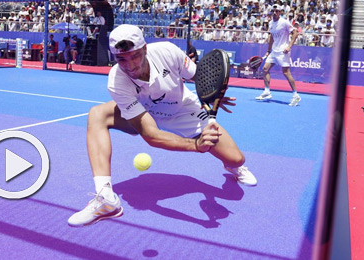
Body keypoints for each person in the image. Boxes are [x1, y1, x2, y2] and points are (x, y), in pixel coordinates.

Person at [67, 24, 257, 227]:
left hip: (184, 111)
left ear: (145, 49)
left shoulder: (167, 52)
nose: (130, 65)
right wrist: (195, 145)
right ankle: (105, 197)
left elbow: (198, 76)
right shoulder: (117, 80)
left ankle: (231, 166)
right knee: (97, 114)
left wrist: (214, 92)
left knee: (237, 159)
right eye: (122, 59)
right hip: (146, 114)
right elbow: (151, 135)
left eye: (135, 56)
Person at [256, 5, 301, 106]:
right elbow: (271, 37)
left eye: (277, 11)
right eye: (273, 11)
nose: (275, 12)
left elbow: (295, 33)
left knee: (286, 73)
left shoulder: (284, 22)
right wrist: (268, 50)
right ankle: (267, 91)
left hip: (283, 51)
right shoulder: (271, 23)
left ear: (280, 12)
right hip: (274, 51)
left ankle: (296, 95)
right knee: (265, 69)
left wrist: (289, 46)